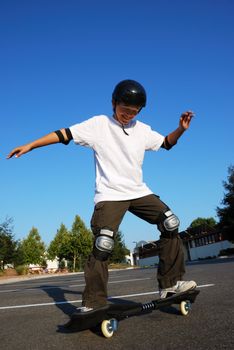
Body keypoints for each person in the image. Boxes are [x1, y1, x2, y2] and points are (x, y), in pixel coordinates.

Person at [7, 79, 197, 312]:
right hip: (110, 195)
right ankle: (94, 303)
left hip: (138, 192)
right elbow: (63, 134)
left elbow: (166, 143)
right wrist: (31, 145)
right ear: (114, 103)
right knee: (103, 243)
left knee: (170, 223)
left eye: (133, 111)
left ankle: (170, 284)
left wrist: (181, 129)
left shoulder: (143, 130)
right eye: (123, 109)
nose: (127, 115)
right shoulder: (99, 124)